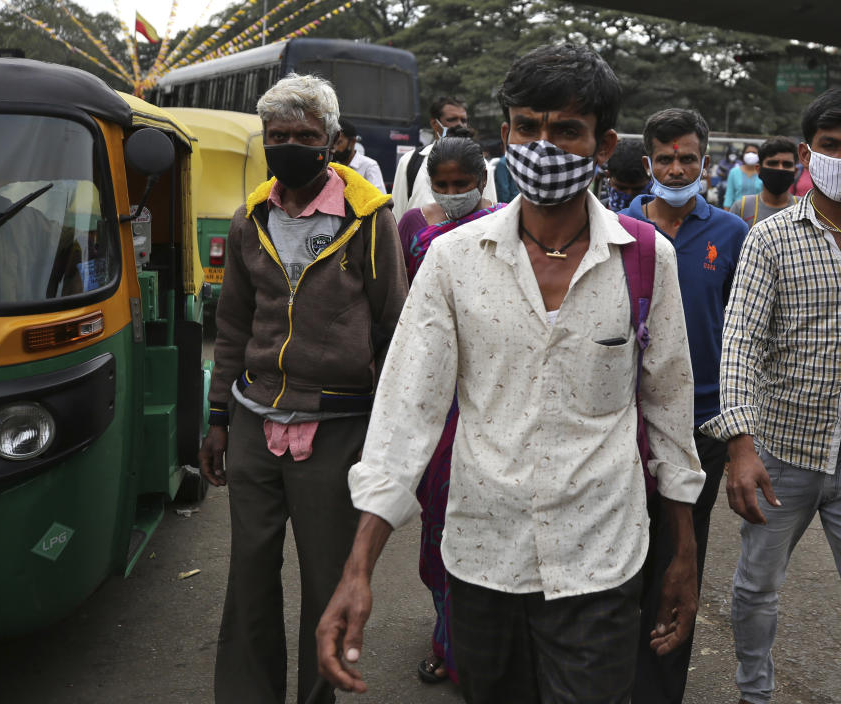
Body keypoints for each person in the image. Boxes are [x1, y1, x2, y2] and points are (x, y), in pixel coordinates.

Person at [317, 43, 705, 704]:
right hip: (480, 557)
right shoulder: (453, 259)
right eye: (529, 127)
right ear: (505, 135)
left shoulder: (646, 260)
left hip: (603, 561)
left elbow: (669, 409)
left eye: (566, 130)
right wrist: (358, 568)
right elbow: (408, 410)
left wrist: (684, 556)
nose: (543, 145)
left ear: (603, 144)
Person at [701, 88, 841, 704]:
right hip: (781, 453)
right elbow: (740, 345)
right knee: (755, 590)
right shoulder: (770, 239)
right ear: (808, 153)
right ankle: (755, 690)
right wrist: (740, 448)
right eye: (831, 145)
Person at [197, 73, 408, 704]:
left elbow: (394, 326)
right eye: (277, 135)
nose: (289, 145)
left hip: (338, 425)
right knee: (250, 573)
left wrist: (385, 433)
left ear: (334, 142)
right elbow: (233, 324)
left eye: (305, 135)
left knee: (326, 577)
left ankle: (319, 695)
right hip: (253, 419)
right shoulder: (249, 218)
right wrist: (216, 416)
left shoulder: (370, 221)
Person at [619, 108, 749, 704]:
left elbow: (743, 334)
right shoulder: (615, 229)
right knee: (616, 567)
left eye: (688, 158)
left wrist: (738, 426)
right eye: (666, 159)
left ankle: (659, 692)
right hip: (623, 424)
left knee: (678, 565)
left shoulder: (730, 234)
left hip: (700, 427)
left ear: (704, 163)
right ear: (648, 164)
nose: (677, 168)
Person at [396, 134, 504, 686]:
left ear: (483, 181)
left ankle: (486, 644)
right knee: (438, 518)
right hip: (436, 393)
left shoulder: (508, 222)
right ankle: (447, 636)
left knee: (489, 517)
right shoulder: (413, 226)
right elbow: (402, 308)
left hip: (492, 392)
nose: (455, 194)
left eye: (465, 184)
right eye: (444, 185)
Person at [391, 96, 497, 220]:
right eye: (452, 119)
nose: (459, 125)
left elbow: (490, 215)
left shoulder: (481, 164)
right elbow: (398, 213)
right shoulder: (411, 161)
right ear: (435, 124)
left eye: (463, 120)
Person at [730, 137, 800, 228]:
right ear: (758, 170)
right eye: (773, 163)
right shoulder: (741, 208)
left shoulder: (804, 208)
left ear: (795, 171)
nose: (780, 169)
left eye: (787, 164)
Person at [332, 117, 386, 193]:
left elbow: (379, 200)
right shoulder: (331, 167)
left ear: (352, 142)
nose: (335, 148)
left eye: (339, 143)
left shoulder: (369, 166)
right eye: (333, 143)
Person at [599, 138, 650, 213]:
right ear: (607, 176)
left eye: (638, 189)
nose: (629, 194)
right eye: (621, 188)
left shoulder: (665, 217)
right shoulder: (594, 213)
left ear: (652, 178)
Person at [723, 143, 762, 208]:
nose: (751, 155)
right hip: (737, 211)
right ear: (743, 154)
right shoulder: (734, 172)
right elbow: (729, 195)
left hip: (758, 211)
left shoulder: (763, 172)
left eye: (754, 152)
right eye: (748, 152)